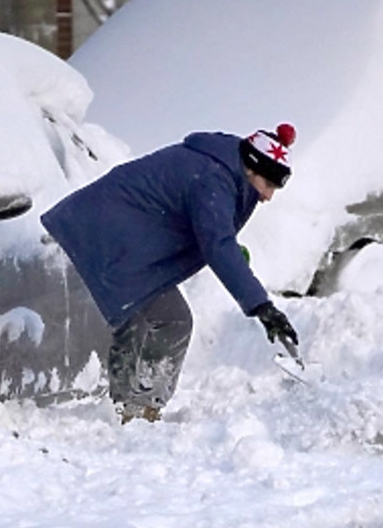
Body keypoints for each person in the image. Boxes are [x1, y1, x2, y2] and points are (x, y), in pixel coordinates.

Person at [41, 124, 301, 424]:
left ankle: (125, 406)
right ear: (253, 167)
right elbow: (217, 243)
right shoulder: (213, 179)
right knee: (172, 322)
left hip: (105, 232)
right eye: (268, 185)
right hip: (109, 239)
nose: (268, 196)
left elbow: (212, 232)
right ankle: (140, 409)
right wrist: (261, 306)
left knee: (137, 319)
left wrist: (228, 251)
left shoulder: (218, 167)